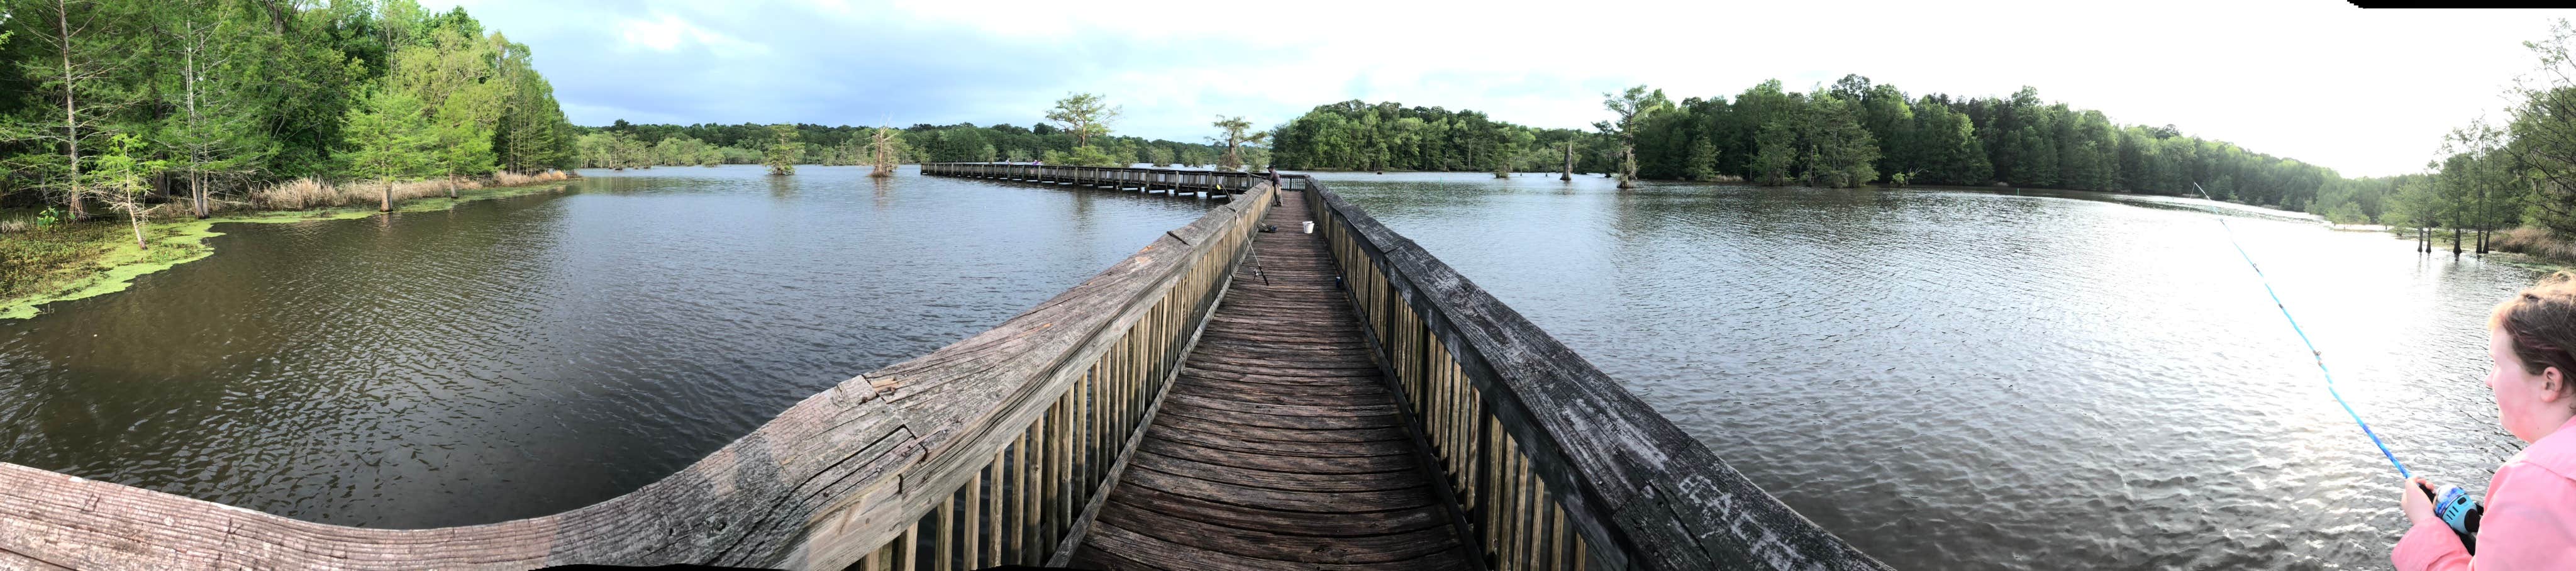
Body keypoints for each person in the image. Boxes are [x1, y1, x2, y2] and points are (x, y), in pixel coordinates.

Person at [2392, 272, 2576, 570]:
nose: (2488, 381)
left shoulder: (2536, 480)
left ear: (2549, 383)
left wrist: (2425, 524)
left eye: (2497, 364)